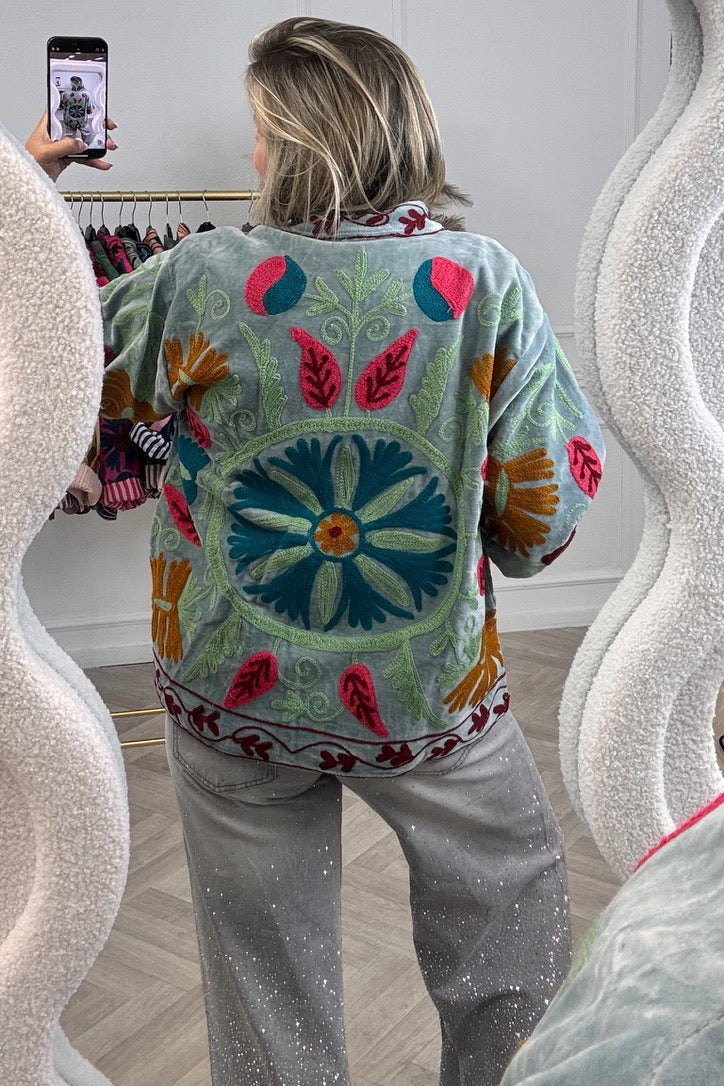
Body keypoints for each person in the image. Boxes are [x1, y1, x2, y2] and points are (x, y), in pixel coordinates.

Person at [26, 17, 604, 1086]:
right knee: (510, 931)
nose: (250, 151)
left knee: (266, 980)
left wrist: (27, 186)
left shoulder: (197, 277)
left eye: (259, 129)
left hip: (230, 688)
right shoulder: (485, 283)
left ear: (296, 142)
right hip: (426, 694)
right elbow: (541, 527)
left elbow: (45, 370)